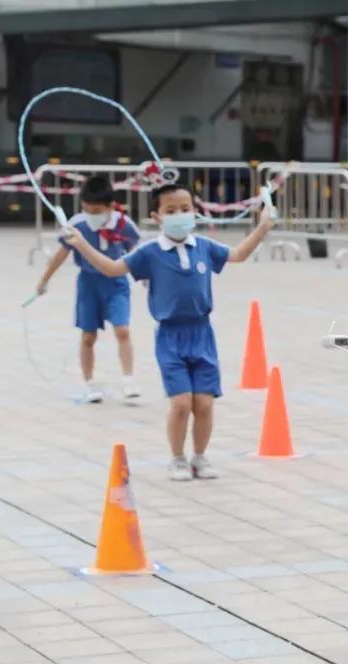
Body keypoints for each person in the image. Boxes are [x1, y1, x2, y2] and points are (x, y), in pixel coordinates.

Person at [61, 183, 275, 480]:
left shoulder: (203, 246)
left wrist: (263, 227)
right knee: (181, 403)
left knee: (204, 403)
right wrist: (82, 244)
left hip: (203, 335)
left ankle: (200, 457)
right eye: (171, 210)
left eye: (185, 209)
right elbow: (112, 268)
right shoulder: (149, 252)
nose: (180, 215)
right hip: (170, 337)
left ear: (195, 211)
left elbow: (238, 254)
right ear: (157, 216)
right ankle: (177, 458)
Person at [36, 175, 142, 403]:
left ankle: (128, 379)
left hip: (116, 282)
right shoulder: (77, 225)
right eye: (86, 210)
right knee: (88, 336)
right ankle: (90, 382)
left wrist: (146, 276)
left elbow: (138, 253)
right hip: (88, 284)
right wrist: (44, 280)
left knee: (122, 330)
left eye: (95, 211)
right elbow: (61, 253)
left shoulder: (124, 225)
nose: (91, 216)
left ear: (109, 206)